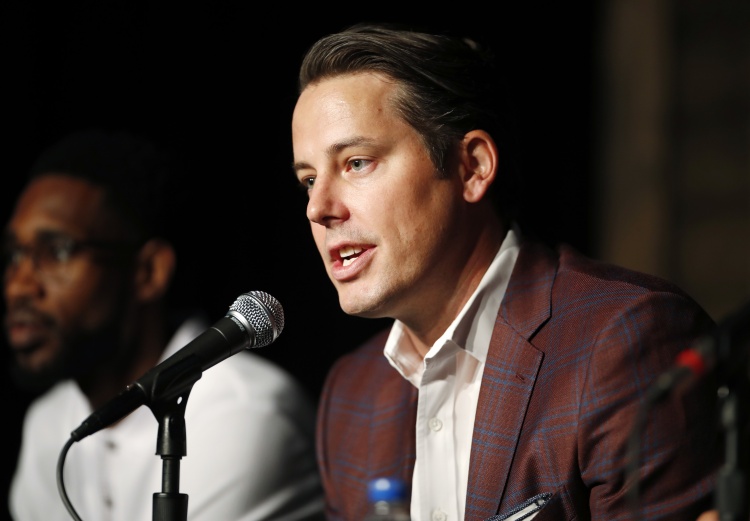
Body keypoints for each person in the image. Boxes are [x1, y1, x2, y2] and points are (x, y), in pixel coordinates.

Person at [289, 22, 722, 521]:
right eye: (309, 180)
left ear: (472, 167)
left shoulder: (624, 340)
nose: (318, 208)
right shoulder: (352, 393)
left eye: (357, 163)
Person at [3, 129, 325, 521]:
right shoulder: (50, 423)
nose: (19, 285)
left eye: (58, 251)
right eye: (15, 255)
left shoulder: (245, 416)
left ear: (148, 271)